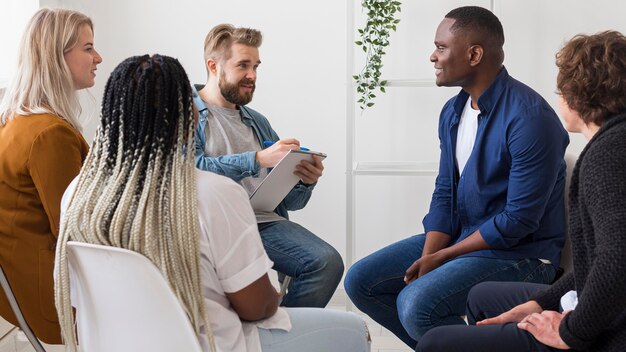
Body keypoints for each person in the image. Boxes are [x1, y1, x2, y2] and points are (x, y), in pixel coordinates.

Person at [53, 54, 369, 352]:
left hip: (119, 343)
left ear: (112, 116)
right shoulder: (210, 193)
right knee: (356, 330)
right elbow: (257, 308)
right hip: (212, 343)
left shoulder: (78, 192)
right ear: (187, 113)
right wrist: (265, 290)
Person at [344, 5, 570, 348]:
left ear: (474, 54)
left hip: (522, 254)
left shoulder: (530, 118)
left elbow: (519, 221)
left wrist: (444, 257)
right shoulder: (453, 111)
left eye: (441, 47)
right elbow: (445, 192)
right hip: (466, 239)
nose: (432, 56)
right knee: (361, 280)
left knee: (416, 303)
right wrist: (431, 254)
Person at [417, 29, 626, 352]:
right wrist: (540, 303)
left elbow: (617, 259)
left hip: (607, 328)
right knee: (480, 296)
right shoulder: (611, 144)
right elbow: (596, 262)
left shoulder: (608, 154)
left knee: (435, 342)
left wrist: (571, 332)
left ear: (578, 93)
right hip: (594, 301)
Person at [193, 24, 343, 308]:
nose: (252, 75)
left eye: (256, 66)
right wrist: (258, 159)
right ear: (214, 66)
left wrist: (305, 180)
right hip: (217, 225)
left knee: (326, 262)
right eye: (243, 66)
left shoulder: (257, 122)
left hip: (262, 221)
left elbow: (294, 203)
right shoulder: (186, 111)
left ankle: (283, 336)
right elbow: (191, 169)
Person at [0, 8, 101, 343]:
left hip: (21, 287)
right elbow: (77, 231)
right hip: (53, 299)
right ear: (56, 57)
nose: (98, 57)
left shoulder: (17, 121)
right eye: (87, 48)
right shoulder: (49, 135)